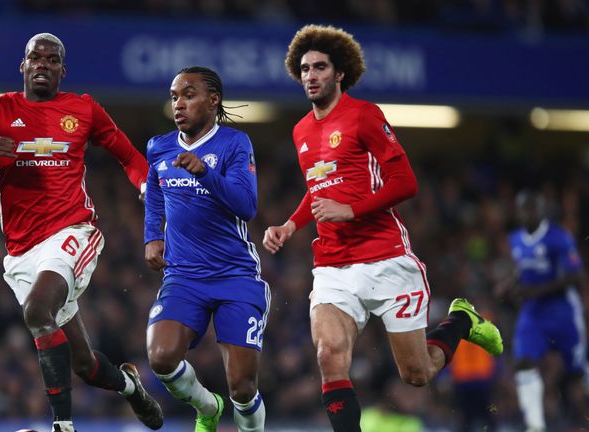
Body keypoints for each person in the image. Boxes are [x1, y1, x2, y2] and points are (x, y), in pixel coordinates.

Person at [262, 24, 503, 431]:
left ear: (339, 73)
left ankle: (460, 320)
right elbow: (318, 189)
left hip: (386, 256)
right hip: (334, 264)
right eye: (304, 69)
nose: (311, 76)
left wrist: (351, 211)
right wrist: (291, 224)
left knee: (418, 373)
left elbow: (406, 183)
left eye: (320, 67)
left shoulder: (364, 115)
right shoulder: (301, 130)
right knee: (328, 355)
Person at [0, 33, 163, 432]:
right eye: (35, 58)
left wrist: (146, 188)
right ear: (22, 66)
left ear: (62, 70)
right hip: (22, 253)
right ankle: (131, 387)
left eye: (52, 59)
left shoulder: (84, 110)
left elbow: (129, 157)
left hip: (72, 232)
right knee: (84, 364)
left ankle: (63, 426)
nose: (42, 64)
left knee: (37, 311)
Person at [143, 66, 270, 432]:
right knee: (161, 357)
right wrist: (153, 235)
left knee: (242, 387)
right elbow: (154, 191)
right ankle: (207, 407)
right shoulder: (159, 146)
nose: (178, 104)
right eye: (174, 97)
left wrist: (205, 173)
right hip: (184, 275)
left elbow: (246, 206)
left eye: (188, 94)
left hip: (236, 276)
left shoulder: (234, 143)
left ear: (213, 100)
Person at [495, 189, 588, 432]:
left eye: (532, 208)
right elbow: (523, 269)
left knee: (577, 372)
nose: (527, 213)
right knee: (524, 361)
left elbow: (576, 275)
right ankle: (535, 426)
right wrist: (509, 285)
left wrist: (538, 290)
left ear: (541, 209)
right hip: (533, 313)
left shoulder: (559, 237)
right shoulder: (515, 239)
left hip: (563, 311)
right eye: (523, 209)